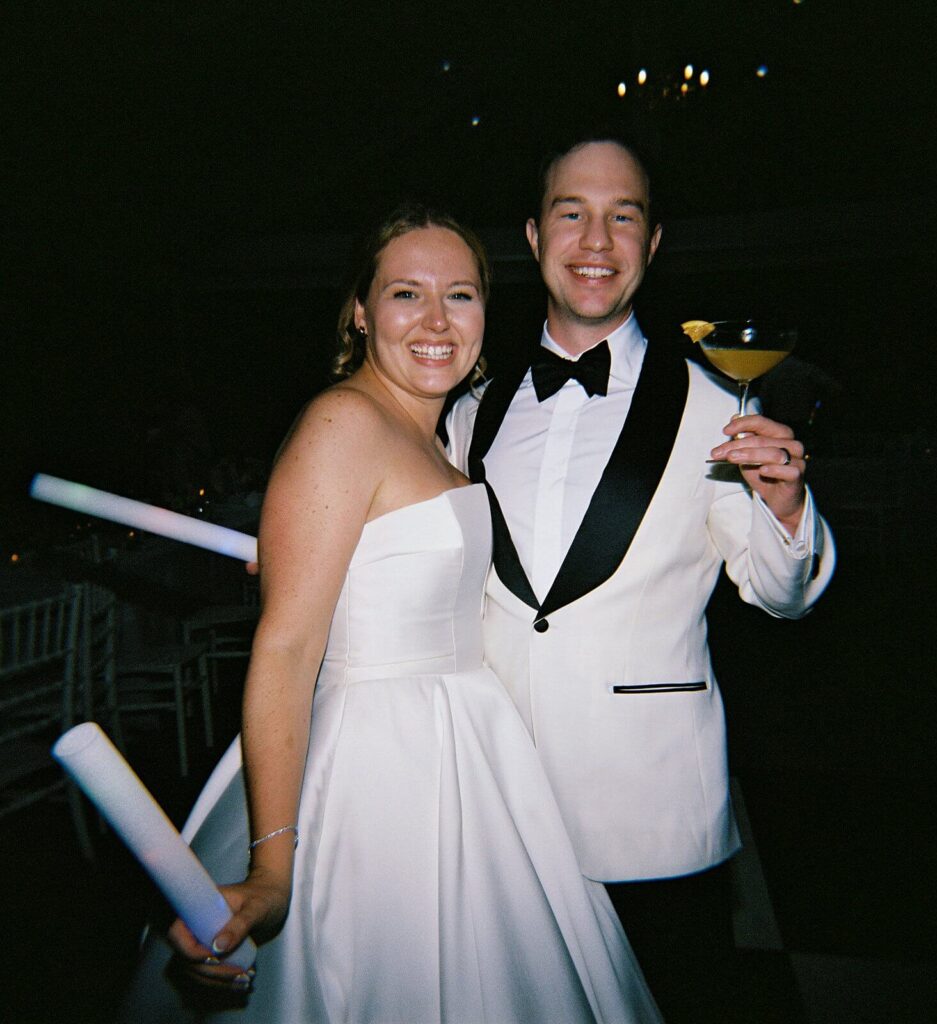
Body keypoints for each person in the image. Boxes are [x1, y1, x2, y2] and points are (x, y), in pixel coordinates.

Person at [119, 206, 662, 1024]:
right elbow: (288, 650)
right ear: (361, 312)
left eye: (463, 295)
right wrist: (273, 869)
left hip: (472, 750)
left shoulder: (437, 436)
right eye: (407, 293)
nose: (438, 321)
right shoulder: (345, 422)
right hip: (378, 766)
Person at [446, 137, 837, 1020]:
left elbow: (783, 591)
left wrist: (785, 508)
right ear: (533, 235)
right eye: (570, 212)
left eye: (623, 215)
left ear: (652, 243)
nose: (596, 238)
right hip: (499, 801)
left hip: (652, 807)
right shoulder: (471, 411)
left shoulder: (717, 405)